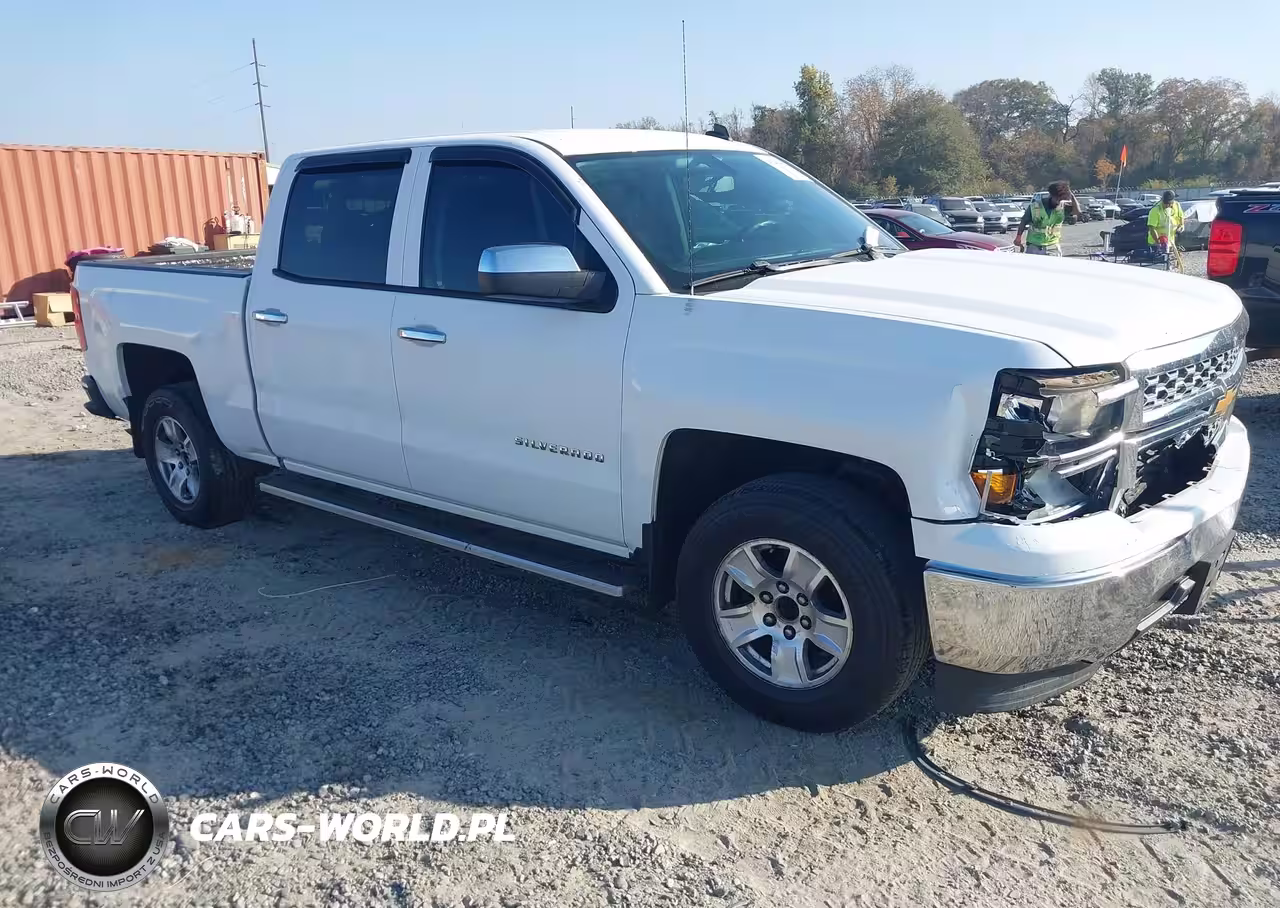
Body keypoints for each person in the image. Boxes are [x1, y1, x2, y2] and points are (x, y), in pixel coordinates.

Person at [1014, 181, 1086, 255]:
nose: (1058, 201)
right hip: (1035, 245)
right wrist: (1018, 237)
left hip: (1053, 246)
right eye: (1057, 199)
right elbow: (1024, 221)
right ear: (1051, 195)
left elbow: (1078, 213)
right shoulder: (1035, 206)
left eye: (1061, 199)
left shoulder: (1063, 206)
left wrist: (1072, 196)